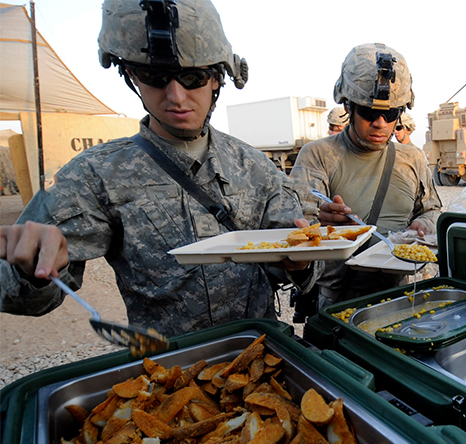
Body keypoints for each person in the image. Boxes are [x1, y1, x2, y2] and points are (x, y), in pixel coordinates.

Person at [0, 0, 318, 338]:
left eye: (193, 77)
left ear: (216, 78)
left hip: (261, 357)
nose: (176, 96)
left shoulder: (255, 167)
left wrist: (302, 264)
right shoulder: (95, 176)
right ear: (132, 76)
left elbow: (301, 265)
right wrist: (33, 269)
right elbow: (21, 296)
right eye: (155, 77)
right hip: (166, 371)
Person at [289, 43, 442, 308]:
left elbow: (431, 210)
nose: (380, 123)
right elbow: (293, 234)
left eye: (390, 113)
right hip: (338, 304)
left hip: (400, 299)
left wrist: (423, 226)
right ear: (348, 107)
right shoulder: (319, 155)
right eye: (370, 112)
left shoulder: (412, 158)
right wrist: (326, 228)